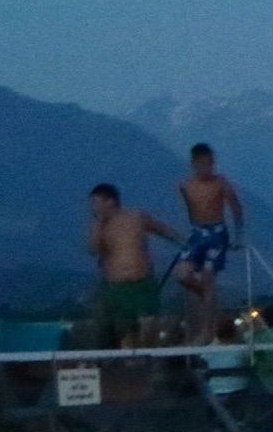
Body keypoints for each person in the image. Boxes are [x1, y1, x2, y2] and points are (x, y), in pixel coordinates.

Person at [85, 183, 179, 347]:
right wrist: (98, 224)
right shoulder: (99, 226)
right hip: (118, 287)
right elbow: (93, 250)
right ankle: (130, 363)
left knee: (149, 325)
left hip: (143, 282)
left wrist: (183, 241)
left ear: (110, 202)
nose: (93, 207)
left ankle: (146, 356)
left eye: (96, 202)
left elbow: (162, 229)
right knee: (127, 332)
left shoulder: (135, 217)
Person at [172, 143, 246, 344]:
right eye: (203, 164)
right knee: (182, 274)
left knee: (207, 276)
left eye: (210, 164)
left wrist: (238, 236)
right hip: (197, 232)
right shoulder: (185, 186)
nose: (208, 168)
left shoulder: (221, 183)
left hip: (217, 232)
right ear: (194, 164)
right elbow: (189, 211)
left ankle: (207, 330)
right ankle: (209, 299)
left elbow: (236, 207)